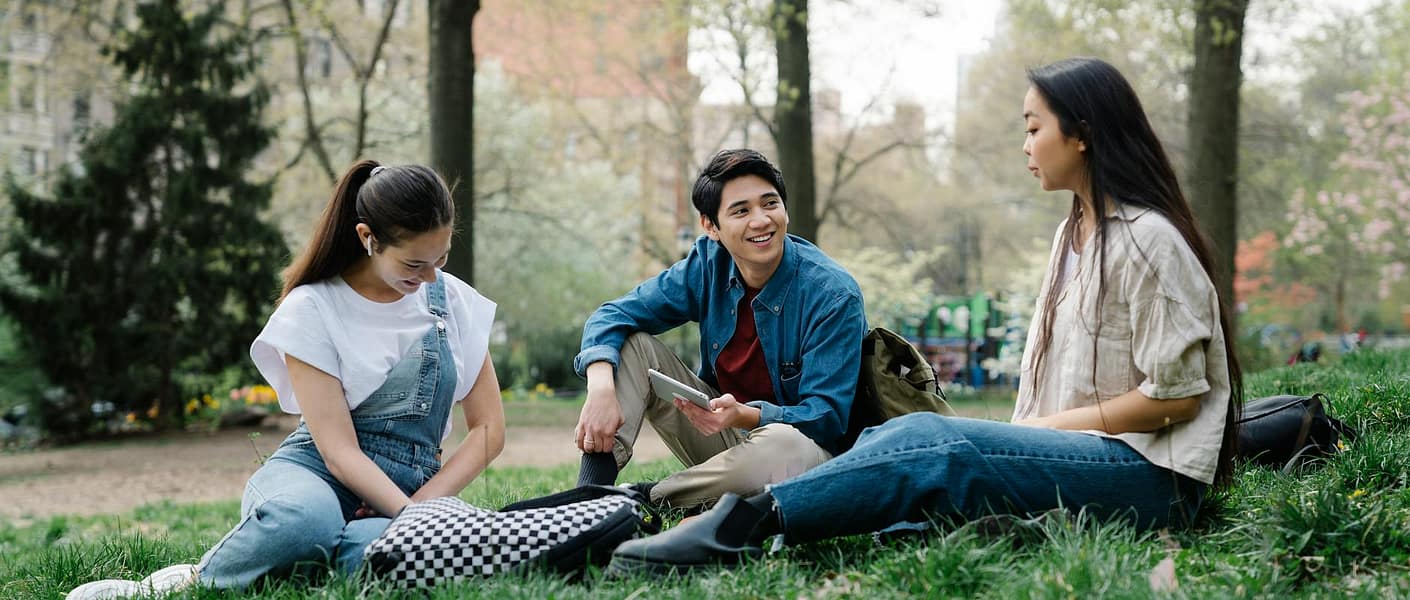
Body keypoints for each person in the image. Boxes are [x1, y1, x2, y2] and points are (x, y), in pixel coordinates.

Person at [607, 57, 1244, 574]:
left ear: (1080, 134)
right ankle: (687, 510)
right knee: (893, 441)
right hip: (1075, 452)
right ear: (712, 227)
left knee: (931, 440)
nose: (1025, 144)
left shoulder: (1149, 240)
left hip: (1147, 477)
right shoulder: (1073, 236)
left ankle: (740, 527)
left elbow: (1176, 400)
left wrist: (1047, 429)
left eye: (1033, 127)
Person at [67, 161, 505, 598]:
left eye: (441, 258)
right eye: (414, 262)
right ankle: (184, 583)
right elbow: (338, 452)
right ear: (367, 238)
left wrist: (420, 512)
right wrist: (410, 519)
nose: (432, 276)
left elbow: (489, 430)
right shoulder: (312, 308)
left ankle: (299, 563)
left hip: (415, 488)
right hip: (316, 475)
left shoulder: (454, 302)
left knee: (380, 553)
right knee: (305, 522)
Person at [573, 148, 867, 510]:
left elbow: (826, 419)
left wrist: (746, 413)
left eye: (770, 204)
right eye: (741, 211)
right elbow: (612, 315)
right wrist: (600, 388)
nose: (761, 220)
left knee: (784, 447)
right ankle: (585, 498)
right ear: (711, 227)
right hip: (722, 435)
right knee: (631, 344)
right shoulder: (709, 264)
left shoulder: (833, 294)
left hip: (803, 453)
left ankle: (643, 499)